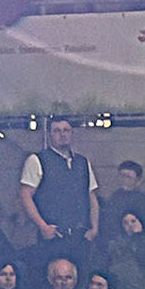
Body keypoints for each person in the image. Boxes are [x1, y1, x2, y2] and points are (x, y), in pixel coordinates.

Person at [18, 117, 100, 277]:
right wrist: (43, 226)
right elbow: (25, 195)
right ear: (49, 134)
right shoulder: (37, 160)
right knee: (52, 278)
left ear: (72, 133)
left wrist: (94, 228)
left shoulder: (83, 162)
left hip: (80, 236)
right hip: (53, 236)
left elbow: (91, 196)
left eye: (66, 130)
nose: (62, 135)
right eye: (57, 131)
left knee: (81, 279)